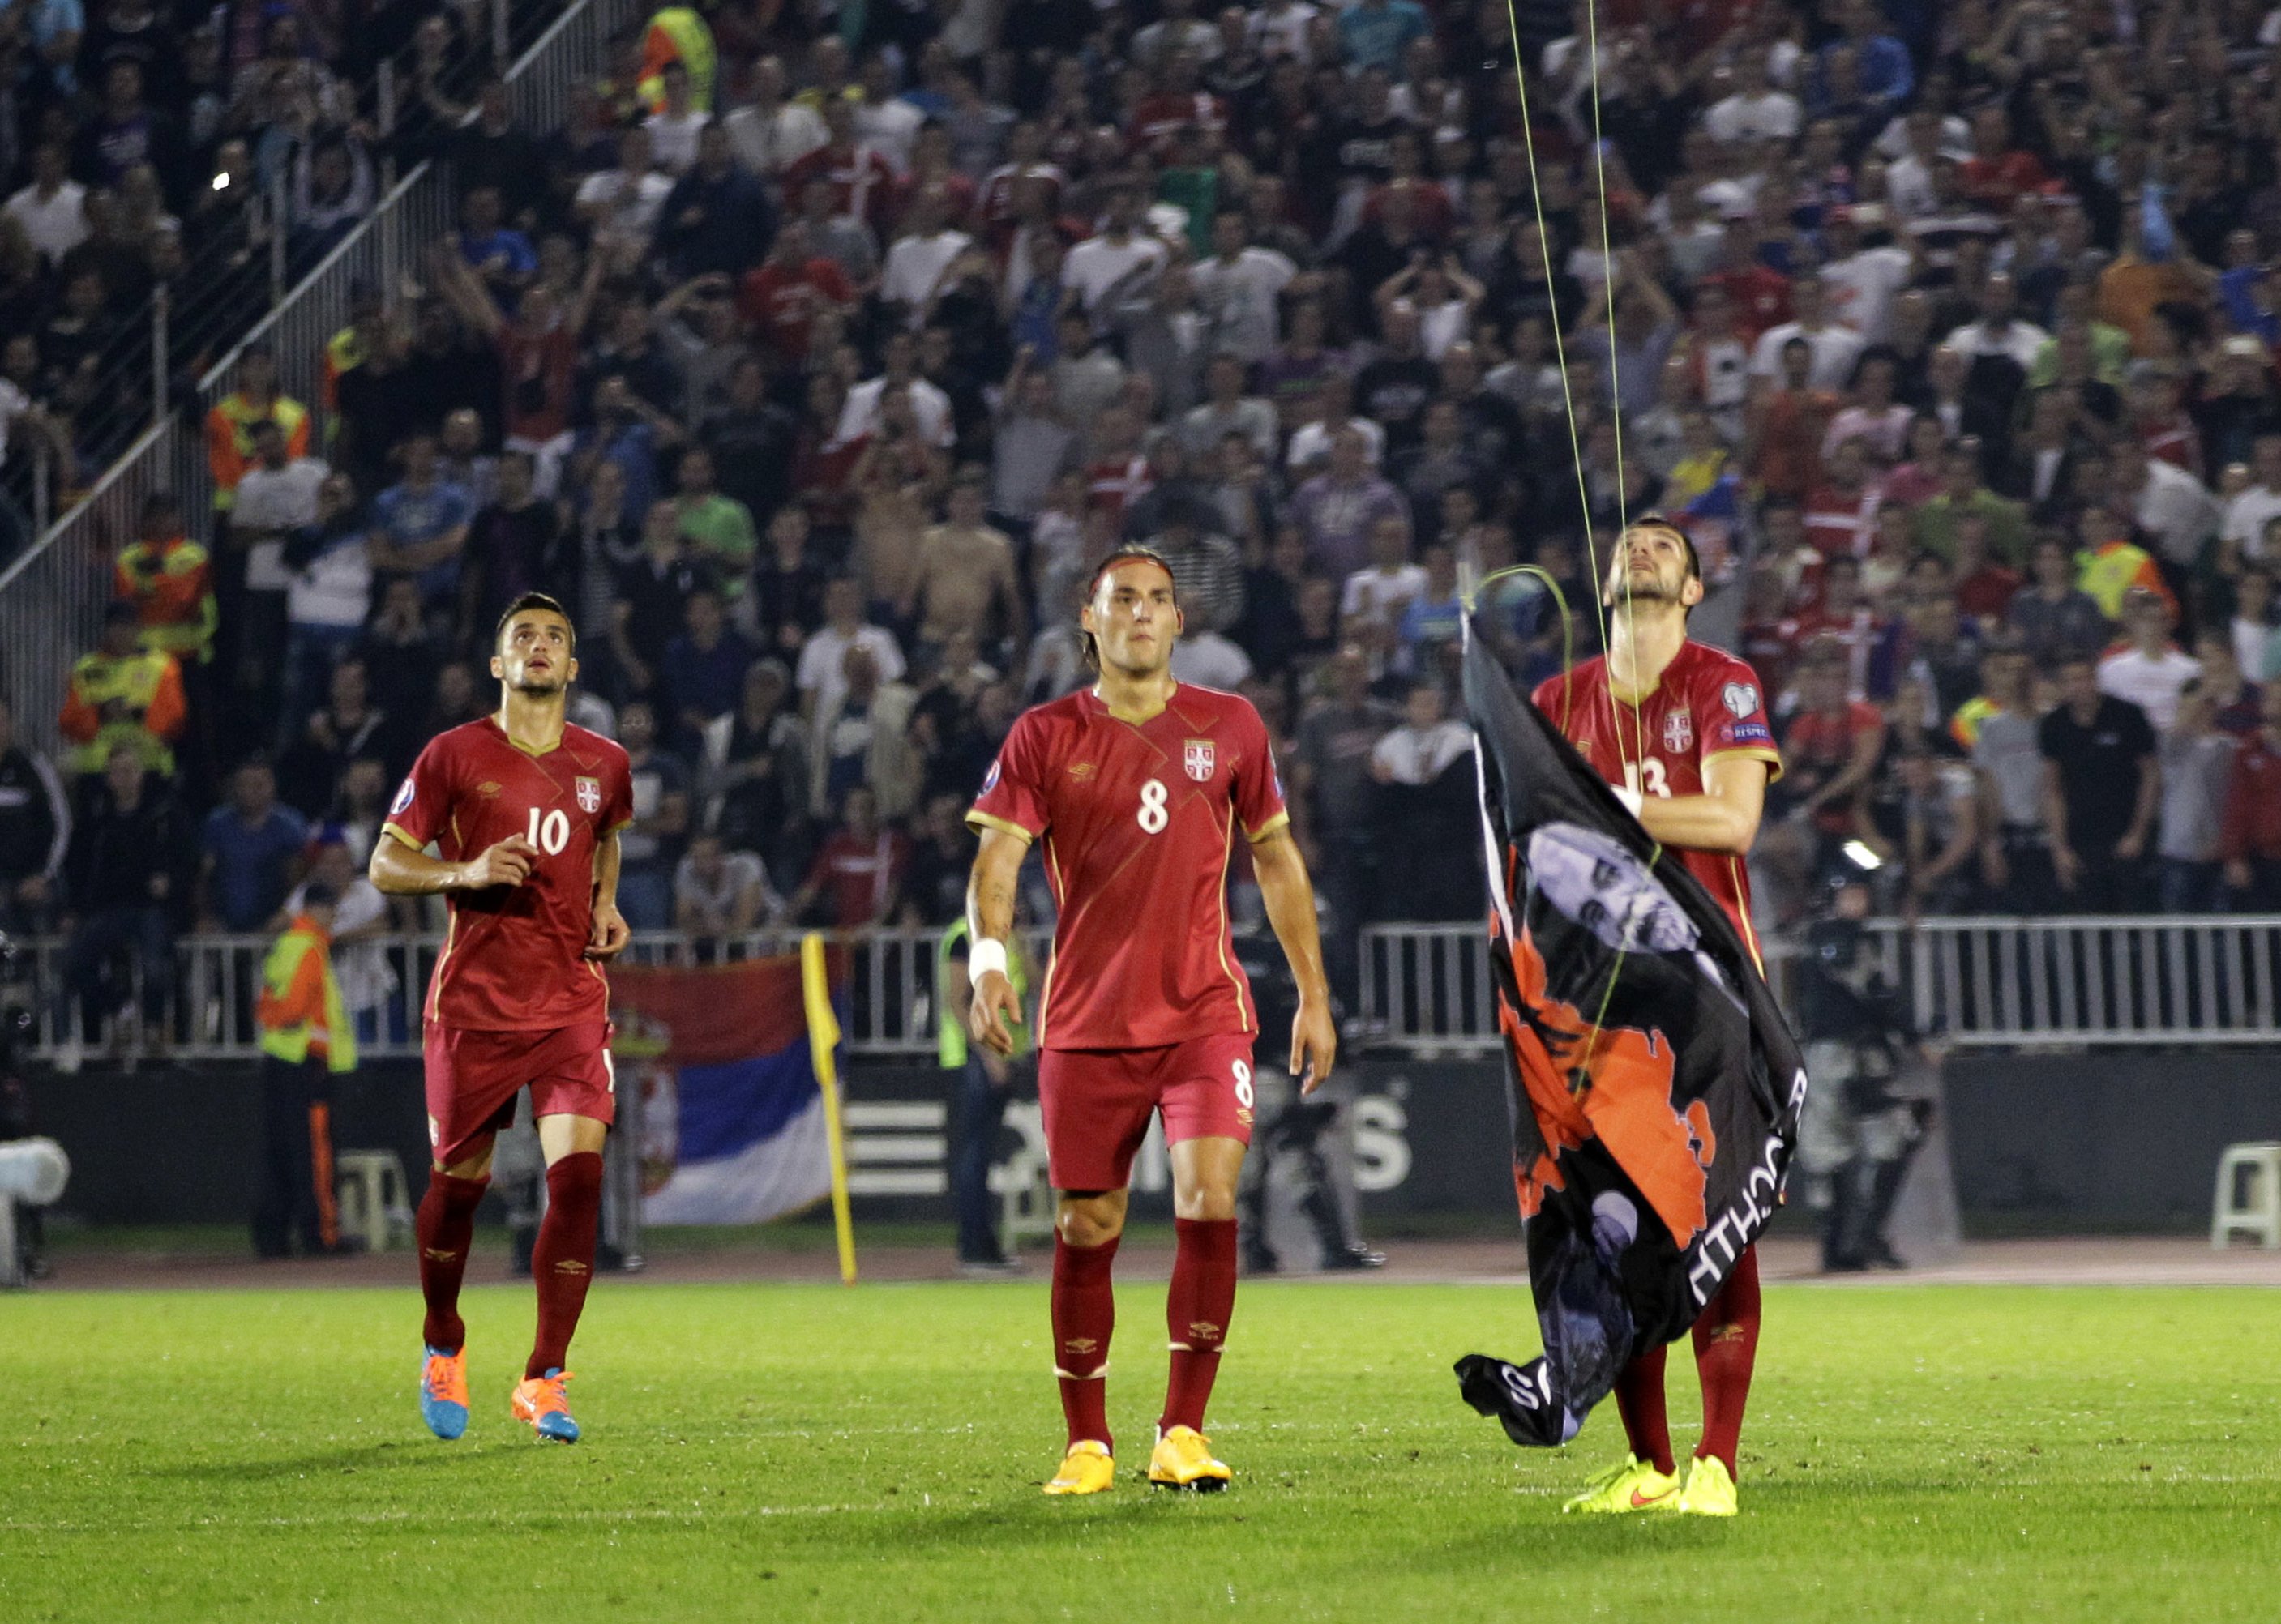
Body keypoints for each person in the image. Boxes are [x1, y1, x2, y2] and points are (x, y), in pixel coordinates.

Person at [964, 545, 1336, 1494]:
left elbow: (1279, 863)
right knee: (1089, 1224)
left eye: (1158, 601)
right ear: (1087, 621)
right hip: (1087, 1025)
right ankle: (1087, 1441)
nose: (1140, 613)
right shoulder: (1044, 735)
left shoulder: (1234, 726)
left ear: (1181, 623)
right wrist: (989, 963)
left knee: (1210, 1198)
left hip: (1205, 1017)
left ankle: (1182, 1431)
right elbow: (998, 863)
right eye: (1121, 599)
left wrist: (1314, 995)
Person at [1526, 517, 1782, 1519]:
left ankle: (1717, 1463)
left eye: (1664, 547)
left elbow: (1731, 821)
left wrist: (1608, 808)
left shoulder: (1722, 685)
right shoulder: (1558, 700)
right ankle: (1650, 1465)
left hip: (1709, 992)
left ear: (1692, 590)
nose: (1641, 550)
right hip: (1597, 1005)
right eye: (1627, 541)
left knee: (1719, 1221)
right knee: (1613, 1228)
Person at [370, 592, 635, 1446]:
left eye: (556, 636)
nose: (541, 646)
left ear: (574, 665)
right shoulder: (453, 755)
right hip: (474, 1006)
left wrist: (607, 902)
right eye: (523, 636)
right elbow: (385, 863)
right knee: (457, 1191)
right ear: (499, 664)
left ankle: (544, 1376)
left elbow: (605, 835)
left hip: (567, 998)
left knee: (580, 1178)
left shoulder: (605, 761)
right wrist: (464, 871)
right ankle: (443, 1339)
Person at [252, 882, 353, 1259]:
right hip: (306, 1063)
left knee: (280, 1152)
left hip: (280, 1060)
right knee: (314, 1154)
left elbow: (265, 1006)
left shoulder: (286, 946)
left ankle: (272, 1236)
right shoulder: (310, 948)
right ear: (318, 909)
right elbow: (295, 1009)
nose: (334, 918)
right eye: (332, 910)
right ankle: (320, 1234)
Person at [937, 913, 1032, 1273]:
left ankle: (986, 1246)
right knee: (974, 1155)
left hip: (1000, 1060)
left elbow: (1036, 982)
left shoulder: (1006, 938)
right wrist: (989, 1056)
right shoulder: (966, 937)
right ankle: (974, 1248)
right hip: (973, 1060)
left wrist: (1022, 944)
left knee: (984, 1154)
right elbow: (958, 1001)